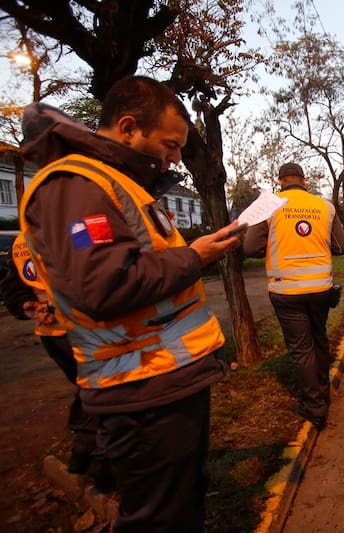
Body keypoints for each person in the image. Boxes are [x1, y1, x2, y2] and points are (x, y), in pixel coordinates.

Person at [19, 75, 243, 531]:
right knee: (160, 521)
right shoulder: (75, 186)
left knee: (180, 511)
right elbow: (103, 286)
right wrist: (196, 257)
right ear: (127, 128)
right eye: (170, 144)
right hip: (141, 391)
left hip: (162, 382)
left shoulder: (120, 184)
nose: (177, 156)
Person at [243, 162, 344, 430]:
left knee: (302, 349)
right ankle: (323, 392)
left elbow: (251, 247)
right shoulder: (324, 206)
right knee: (319, 338)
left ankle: (315, 407)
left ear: (279, 181)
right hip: (320, 289)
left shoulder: (271, 205)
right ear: (304, 180)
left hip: (286, 291)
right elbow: (341, 246)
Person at [0, 234, 108, 487]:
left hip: (53, 335)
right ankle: (93, 458)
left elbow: (12, 287)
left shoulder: (23, 241)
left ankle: (87, 455)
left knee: (89, 387)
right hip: (81, 331)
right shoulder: (71, 231)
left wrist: (25, 304)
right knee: (99, 389)